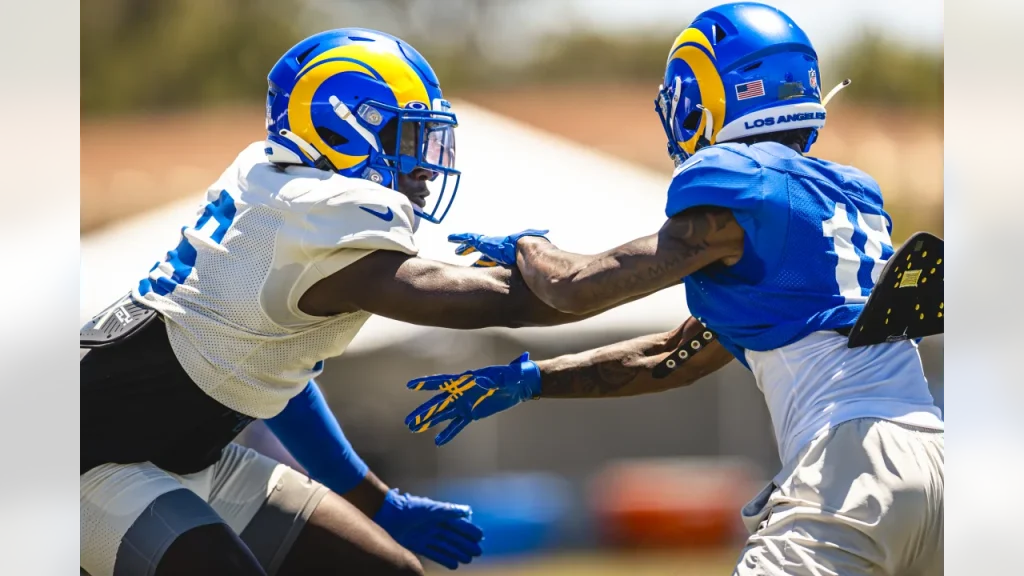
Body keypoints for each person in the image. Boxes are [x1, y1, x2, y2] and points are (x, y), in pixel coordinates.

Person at [404, 4, 944, 575]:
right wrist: (533, 380)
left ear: (715, 92)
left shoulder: (741, 182)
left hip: (848, 466)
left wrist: (527, 248)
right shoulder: (845, 199)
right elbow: (672, 357)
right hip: (933, 457)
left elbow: (576, 287)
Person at [79, 28, 596, 576]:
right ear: (340, 131)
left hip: (188, 456)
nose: (424, 164)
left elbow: (276, 375)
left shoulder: (287, 201)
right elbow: (498, 305)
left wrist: (378, 502)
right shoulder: (317, 216)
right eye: (408, 137)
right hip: (88, 458)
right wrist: (659, 259)